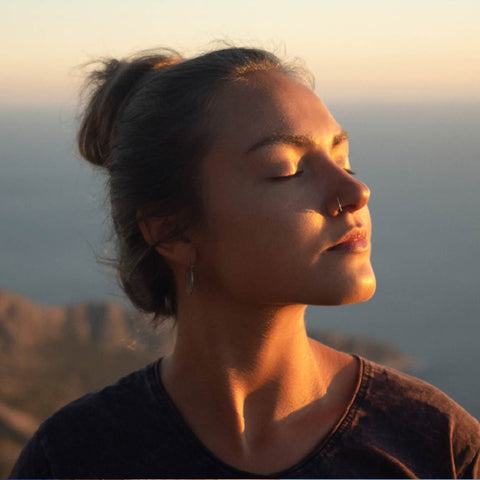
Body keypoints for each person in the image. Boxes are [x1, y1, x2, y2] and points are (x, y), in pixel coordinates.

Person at [10, 46, 480, 479]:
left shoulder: (435, 442)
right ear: (171, 230)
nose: (356, 192)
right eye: (287, 170)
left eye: (345, 160)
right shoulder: (73, 458)